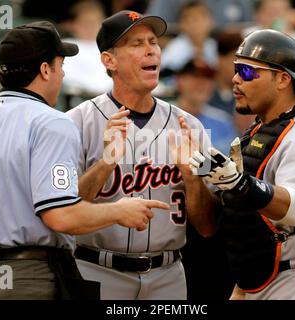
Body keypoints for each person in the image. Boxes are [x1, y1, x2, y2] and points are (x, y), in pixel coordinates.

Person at [0, 20, 169, 300]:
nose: (63, 75)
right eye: (60, 65)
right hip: (31, 276)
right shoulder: (52, 122)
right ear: (45, 69)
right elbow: (60, 215)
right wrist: (118, 211)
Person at [67, 10, 218, 300]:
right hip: (97, 270)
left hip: (168, 275)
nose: (150, 49)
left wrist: (192, 177)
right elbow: (64, 212)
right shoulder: (77, 122)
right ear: (109, 61)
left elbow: (209, 226)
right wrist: (106, 162)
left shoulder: (193, 126)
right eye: (136, 44)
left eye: (154, 42)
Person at [190, 29, 295, 300]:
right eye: (236, 69)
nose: (236, 79)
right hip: (259, 280)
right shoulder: (256, 132)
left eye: (249, 72)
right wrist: (193, 170)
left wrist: (238, 182)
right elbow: (221, 219)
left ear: (283, 79)